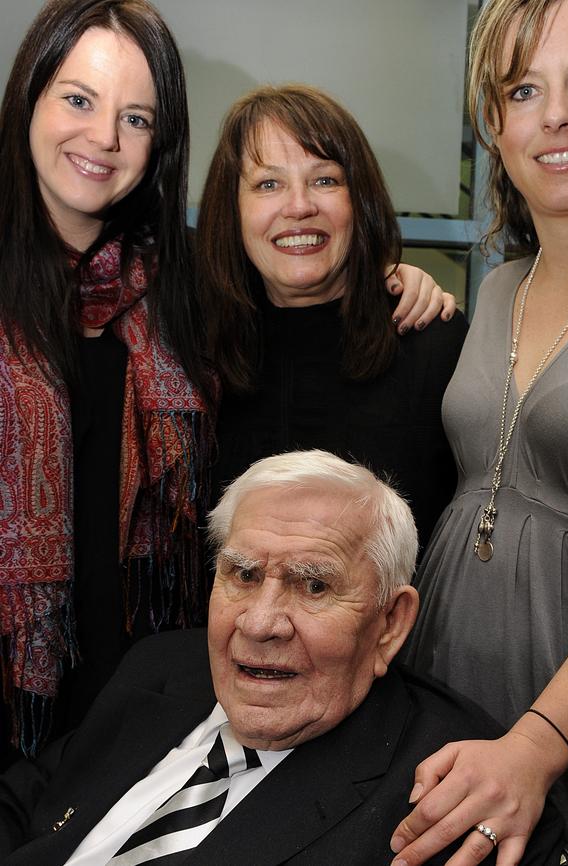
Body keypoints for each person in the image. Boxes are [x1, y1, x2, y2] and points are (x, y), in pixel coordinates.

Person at [0, 0, 451, 765]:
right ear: (28, 98)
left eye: (136, 118)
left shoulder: (171, 297)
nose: (104, 137)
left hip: (149, 706)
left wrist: (400, 279)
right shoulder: (195, 308)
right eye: (78, 99)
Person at [0, 450, 564, 866]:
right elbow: (24, 800)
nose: (260, 623)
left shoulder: (443, 798)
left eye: (313, 587)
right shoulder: (161, 667)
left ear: (390, 624)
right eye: (243, 575)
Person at [392, 0, 568, 863]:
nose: (559, 116)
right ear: (493, 121)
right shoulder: (498, 288)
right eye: (523, 89)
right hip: (445, 706)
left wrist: (539, 744)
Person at [197, 84, 468, 548]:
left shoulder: (432, 341)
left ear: (359, 202)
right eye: (268, 184)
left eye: (325, 180)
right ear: (232, 211)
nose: (299, 206)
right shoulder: (194, 354)